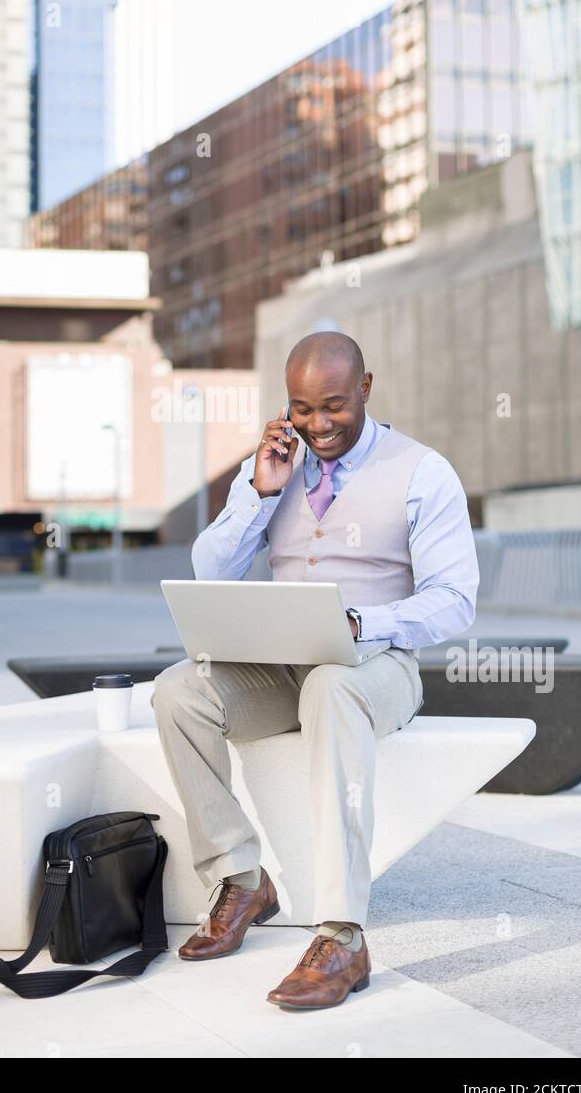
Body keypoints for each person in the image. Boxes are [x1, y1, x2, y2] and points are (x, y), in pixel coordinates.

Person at [150, 331, 479, 1010]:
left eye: (333, 406)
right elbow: (208, 570)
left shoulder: (423, 471)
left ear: (365, 387)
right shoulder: (272, 464)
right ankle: (242, 879)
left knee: (331, 685)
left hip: (378, 667)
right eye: (301, 408)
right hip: (282, 669)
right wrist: (260, 496)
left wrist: (365, 623)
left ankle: (341, 935)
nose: (317, 425)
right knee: (178, 690)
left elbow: (455, 604)